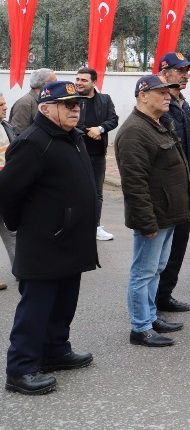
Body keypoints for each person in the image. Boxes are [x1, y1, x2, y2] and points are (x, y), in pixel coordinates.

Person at [0, 81, 98, 395]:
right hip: (45, 241)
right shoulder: (33, 141)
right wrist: (24, 226)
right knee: (36, 308)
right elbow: (8, 193)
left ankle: (55, 350)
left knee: (65, 302)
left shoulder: (72, 136)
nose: (75, 109)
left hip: (71, 240)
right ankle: (20, 369)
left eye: (78, 104)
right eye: (68, 104)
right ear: (45, 108)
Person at [117, 75, 190, 347]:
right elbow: (134, 184)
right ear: (142, 95)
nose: (167, 95)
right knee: (143, 272)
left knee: (156, 269)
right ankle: (140, 328)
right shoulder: (135, 131)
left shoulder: (159, 124)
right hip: (154, 217)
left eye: (169, 91)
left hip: (168, 213)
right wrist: (146, 222)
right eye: (160, 91)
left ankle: (149, 316)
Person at [155, 52, 190, 315]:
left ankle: (165, 295)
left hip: (185, 182)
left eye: (187, 71)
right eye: (180, 70)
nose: (185, 75)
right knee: (160, 251)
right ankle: (152, 302)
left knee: (180, 242)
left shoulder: (182, 102)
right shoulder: (157, 100)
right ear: (165, 71)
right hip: (166, 186)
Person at [74, 67, 119, 242]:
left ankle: (95, 226)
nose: (79, 83)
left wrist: (100, 129)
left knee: (97, 192)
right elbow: (68, 122)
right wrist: (88, 131)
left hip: (98, 154)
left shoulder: (105, 100)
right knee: (76, 190)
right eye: (77, 79)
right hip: (77, 153)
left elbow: (113, 119)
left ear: (94, 82)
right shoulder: (72, 100)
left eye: (84, 80)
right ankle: (76, 226)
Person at [0, 92, 17, 292]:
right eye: (1, 104)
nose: (5, 107)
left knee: (12, 231)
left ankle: (20, 271)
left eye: (4, 104)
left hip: (6, 188)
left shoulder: (8, 127)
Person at [9, 67, 56, 132]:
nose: (57, 85)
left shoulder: (47, 101)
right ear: (46, 85)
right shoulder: (24, 104)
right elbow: (18, 133)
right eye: (55, 82)